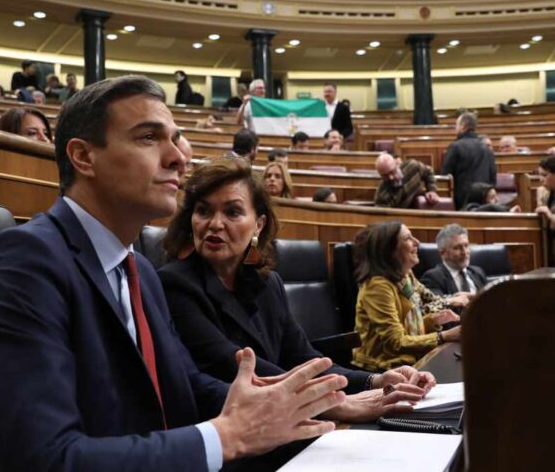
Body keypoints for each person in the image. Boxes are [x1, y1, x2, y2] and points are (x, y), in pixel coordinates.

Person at [0, 75, 349, 471]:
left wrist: (279, 401)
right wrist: (228, 436)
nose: (178, 156)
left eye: (175, 139)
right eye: (148, 137)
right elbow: (46, 460)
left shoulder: (138, 268)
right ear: (83, 157)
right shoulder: (23, 262)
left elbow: (185, 383)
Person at [157, 160, 434, 426]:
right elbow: (240, 368)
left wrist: (376, 381)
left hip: (288, 420)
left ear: (258, 225)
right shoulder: (175, 284)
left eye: (232, 212)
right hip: (234, 436)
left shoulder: (269, 284)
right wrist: (331, 402)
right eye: (204, 211)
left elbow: (303, 358)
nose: (215, 223)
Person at [351, 221, 463, 371]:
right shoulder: (377, 286)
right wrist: (444, 336)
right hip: (383, 370)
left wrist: (432, 320)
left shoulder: (406, 276)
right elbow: (396, 342)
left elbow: (408, 327)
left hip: (412, 362)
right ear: (390, 250)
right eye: (408, 238)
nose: (417, 242)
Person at [441, 112, 497, 210]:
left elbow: (446, 176)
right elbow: (493, 176)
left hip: (463, 203)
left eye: (456, 125)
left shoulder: (455, 147)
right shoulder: (487, 149)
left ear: (463, 126)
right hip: (485, 199)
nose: (455, 128)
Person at [419, 223, 487, 298]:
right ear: (443, 253)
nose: (464, 252)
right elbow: (438, 304)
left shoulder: (478, 273)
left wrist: (474, 297)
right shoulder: (432, 278)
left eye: (466, 245)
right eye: (457, 248)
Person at [374, 153, 439, 209]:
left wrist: (431, 190)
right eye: (385, 175)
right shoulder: (382, 194)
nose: (390, 177)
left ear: (397, 164)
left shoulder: (412, 166)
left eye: (391, 172)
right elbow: (385, 218)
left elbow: (428, 171)